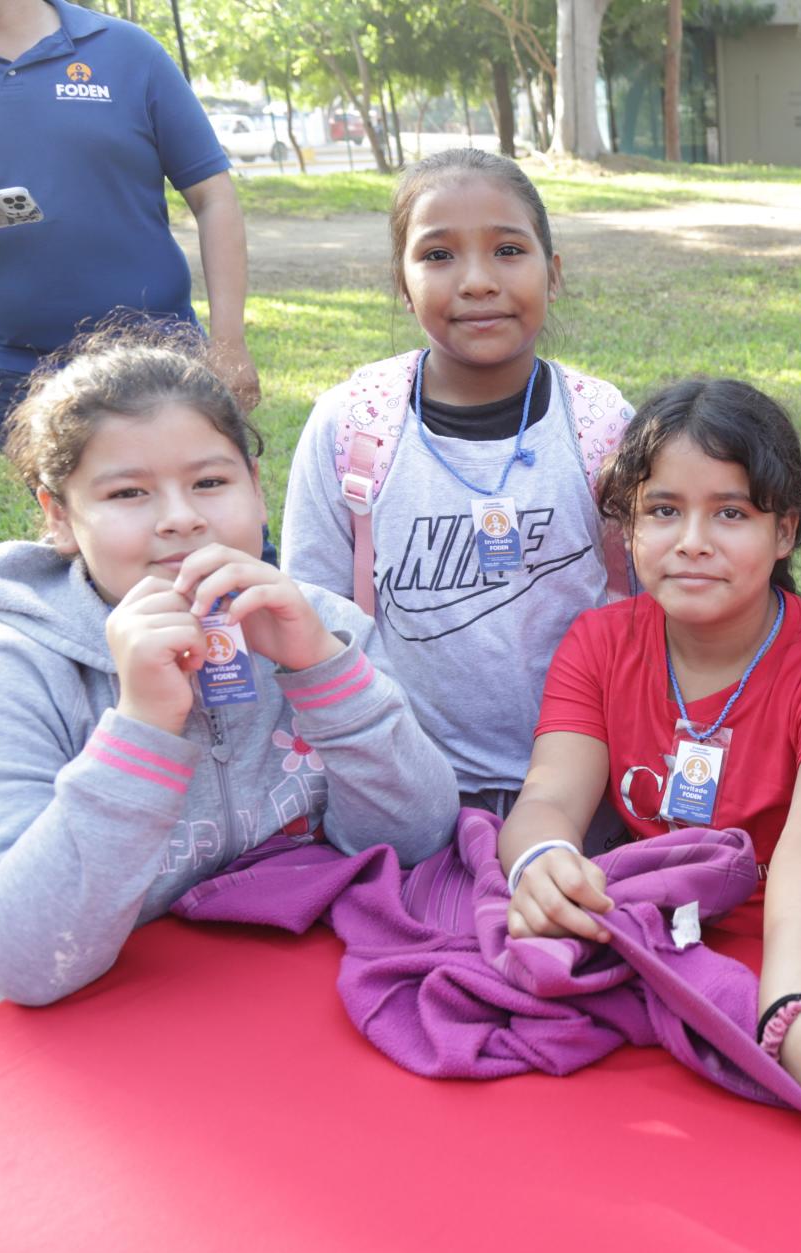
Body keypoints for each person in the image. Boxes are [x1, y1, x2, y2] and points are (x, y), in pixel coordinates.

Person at [0, 332, 457, 1005]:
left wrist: (323, 671)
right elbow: (18, 964)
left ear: (257, 490)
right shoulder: (2, 679)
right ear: (58, 516)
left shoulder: (319, 625)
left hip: (312, 996)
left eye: (209, 481)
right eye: (127, 493)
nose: (180, 518)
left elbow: (419, 838)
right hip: (112, 1036)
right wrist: (141, 726)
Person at [498, 379, 801, 1167]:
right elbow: (549, 797)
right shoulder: (597, 645)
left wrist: (791, 1011)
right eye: (663, 510)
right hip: (673, 941)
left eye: (730, 512)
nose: (692, 539)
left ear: (784, 531)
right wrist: (541, 862)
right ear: (628, 528)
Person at [281, 149, 631, 812]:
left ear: (553, 274)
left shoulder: (602, 425)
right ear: (401, 282)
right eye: (438, 255)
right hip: (400, 796)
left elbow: (654, 604)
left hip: (587, 793)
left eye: (508, 249)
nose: (476, 281)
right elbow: (313, 617)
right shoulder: (353, 426)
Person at [0, 0, 258, 446]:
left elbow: (213, 196)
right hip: (15, 369)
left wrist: (228, 346)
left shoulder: (127, 50)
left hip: (160, 353)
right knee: (79, 517)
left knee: (209, 511)